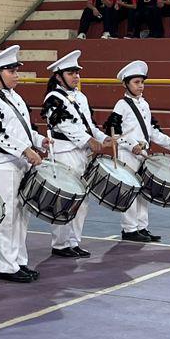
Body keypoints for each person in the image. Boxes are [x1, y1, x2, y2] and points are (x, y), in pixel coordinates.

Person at [0, 44, 46, 282]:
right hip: (4, 165)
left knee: (22, 215)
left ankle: (19, 261)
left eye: (16, 70)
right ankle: (7, 266)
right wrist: (26, 150)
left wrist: (40, 140)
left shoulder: (16, 98)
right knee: (7, 216)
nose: (16, 75)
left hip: (21, 163)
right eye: (10, 70)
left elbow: (24, 130)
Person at [42, 50, 115, 259]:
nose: (76, 76)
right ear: (58, 76)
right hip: (65, 153)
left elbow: (88, 125)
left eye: (77, 72)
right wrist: (90, 141)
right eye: (70, 72)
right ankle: (60, 243)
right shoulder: (53, 98)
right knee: (65, 199)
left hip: (81, 154)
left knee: (81, 201)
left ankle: (73, 242)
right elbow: (66, 127)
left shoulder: (80, 97)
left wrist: (102, 138)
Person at [106, 61, 170, 242]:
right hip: (128, 154)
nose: (140, 86)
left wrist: (168, 141)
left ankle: (142, 227)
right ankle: (129, 229)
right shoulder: (121, 105)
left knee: (143, 193)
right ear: (126, 84)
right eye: (136, 82)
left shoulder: (144, 104)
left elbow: (151, 130)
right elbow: (114, 132)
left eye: (142, 82)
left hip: (143, 154)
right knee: (129, 191)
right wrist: (132, 146)